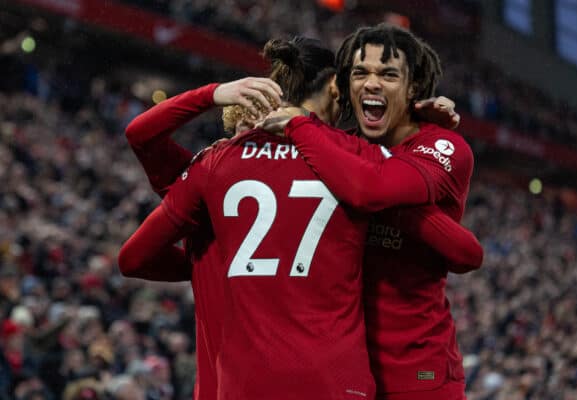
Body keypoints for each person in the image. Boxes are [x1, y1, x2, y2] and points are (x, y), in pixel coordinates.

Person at [119, 36, 380, 400]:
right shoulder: (353, 163)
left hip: (238, 383)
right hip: (333, 377)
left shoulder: (214, 168)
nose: (255, 134)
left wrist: (211, 95)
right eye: (244, 129)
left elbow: (133, 255)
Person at [261, 24, 479, 399]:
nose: (372, 83)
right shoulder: (342, 147)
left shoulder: (444, 144)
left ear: (413, 88)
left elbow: (373, 189)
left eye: (389, 74)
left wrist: (301, 125)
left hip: (419, 373)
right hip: (343, 373)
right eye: (360, 73)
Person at [122, 75, 283, 400]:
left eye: (262, 133)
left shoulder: (210, 176)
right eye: (243, 129)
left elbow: (134, 258)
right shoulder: (205, 176)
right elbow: (139, 134)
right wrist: (213, 94)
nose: (250, 143)